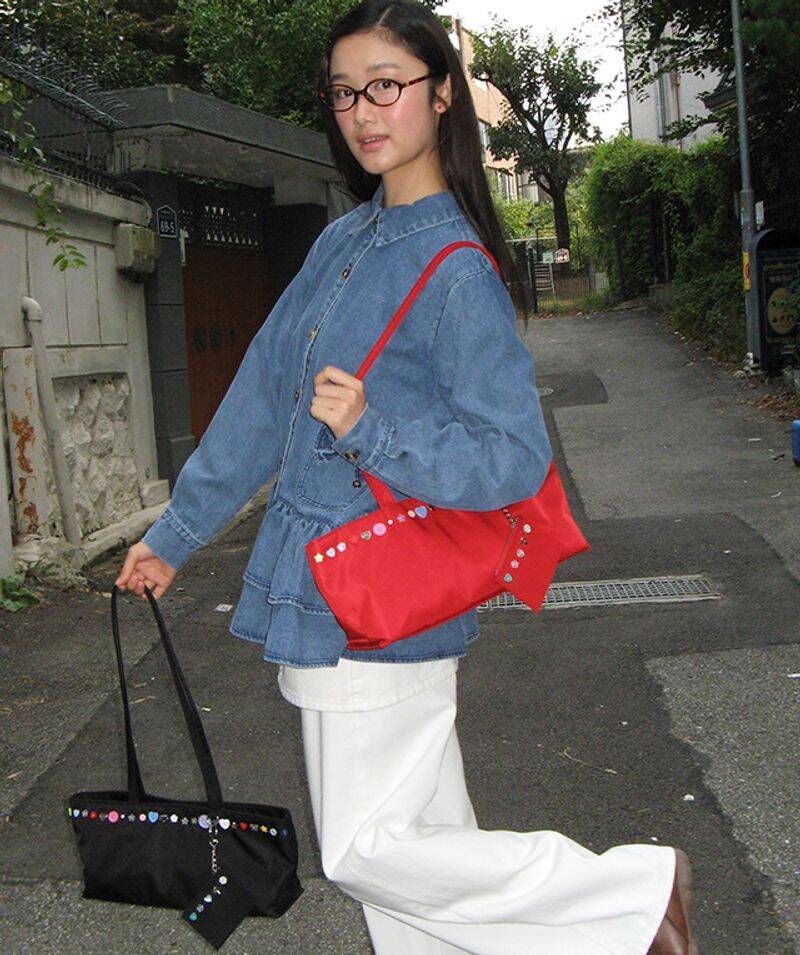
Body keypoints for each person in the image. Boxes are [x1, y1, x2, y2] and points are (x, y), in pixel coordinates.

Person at [115, 2, 697, 952]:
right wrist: (174, 537)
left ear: (440, 95)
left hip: (378, 589)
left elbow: (513, 456)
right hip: (327, 582)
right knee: (423, 839)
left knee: (367, 849)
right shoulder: (341, 244)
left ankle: (632, 892)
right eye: (345, 92)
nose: (363, 111)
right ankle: (626, 900)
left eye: (386, 85)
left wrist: (373, 432)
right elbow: (261, 397)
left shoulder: (456, 267)